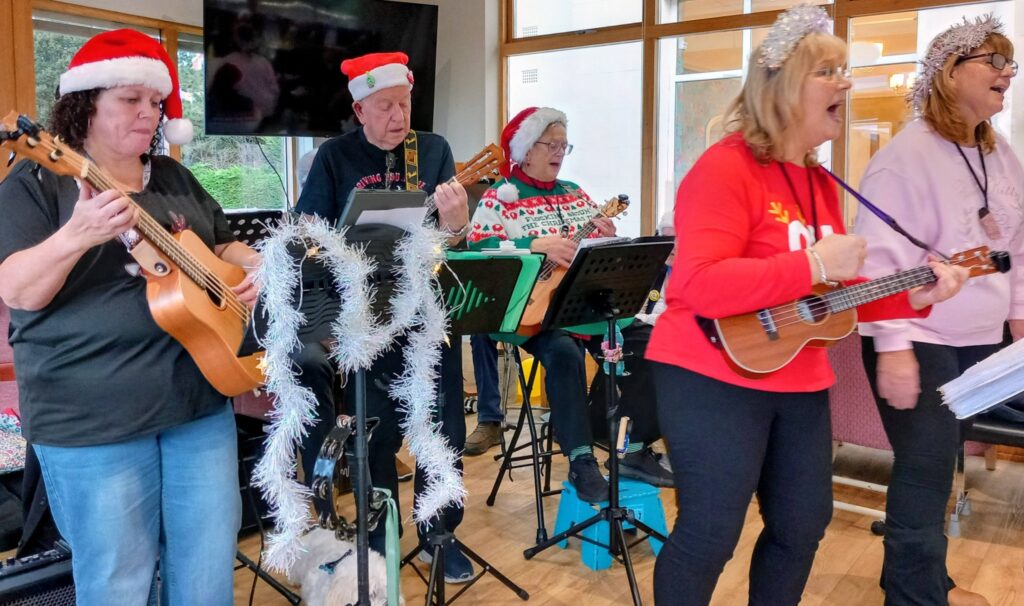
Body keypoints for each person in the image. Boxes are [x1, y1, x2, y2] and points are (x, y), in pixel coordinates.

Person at [644, 6, 970, 605]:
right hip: (709, 373)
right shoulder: (725, 167)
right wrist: (814, 264)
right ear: (783, 87)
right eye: (829, 72)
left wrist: (914, 295)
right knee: (711, 533)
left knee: (802, 526)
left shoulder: (820, 182)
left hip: (797, 378)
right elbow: (700, 284)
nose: (846, 83)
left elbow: (830, 302)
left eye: (845, 71)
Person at [0, 29, 259, 604]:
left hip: (199, 403)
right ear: (84, 105)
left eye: (156, 102)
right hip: (93, 418)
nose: (149, 113)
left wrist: (252, 266)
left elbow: (222, 243)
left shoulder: (172, 177)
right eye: (130, 99)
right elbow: (18, 290)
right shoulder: (39, 180)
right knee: (119, 581)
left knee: (206, 572)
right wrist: (77, 235)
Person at [854, 15, 1023, 606]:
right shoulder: (904, 158)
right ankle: (915, 596)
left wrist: (1018, 324)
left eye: (1011, 62)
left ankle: (921, 580)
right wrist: (894, 349)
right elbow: (878, 264)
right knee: (924, 466)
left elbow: (1017, 247)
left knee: (939, 461)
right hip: (917, 337)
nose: (1008, 72)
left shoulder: (999, 153)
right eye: (994, 61)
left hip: (980, 336)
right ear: (950, 73)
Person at [293, 51, 475, 583]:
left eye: (405, 104)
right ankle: (379, 541)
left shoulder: (433, 151)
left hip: (427, 314)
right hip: (363, 320)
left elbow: (448, 247)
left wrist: (458, 225)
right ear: (359, 111)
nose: (399, 117)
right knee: (376, 435)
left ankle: (441, 533)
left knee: (444, 429)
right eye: (385, 107)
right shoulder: (333, 157)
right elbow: (307, 235)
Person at [467, 106, 623, 504]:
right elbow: (478, 249)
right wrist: (533, 244)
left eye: (563, 145)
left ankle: (625, 443)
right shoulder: (499, 198)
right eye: (550, 144)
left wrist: (605, 236)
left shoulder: (575, 192)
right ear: (525, 150)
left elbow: (595, 252)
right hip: (527, 312)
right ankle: (581, 459)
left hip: (580, 305)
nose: (558, 152)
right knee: (563, 352)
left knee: (644, 340)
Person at [583, 209, 676, 487]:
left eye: (680, 239)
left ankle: (641, 445)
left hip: (665, 336)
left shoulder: (699, 271)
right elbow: (634, 310)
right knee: (653, 357)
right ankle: (630, 447)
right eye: (666, 239)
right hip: (632, 333)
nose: (672, 247)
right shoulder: (648, 268)